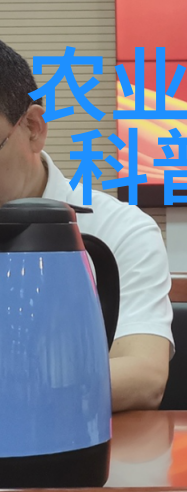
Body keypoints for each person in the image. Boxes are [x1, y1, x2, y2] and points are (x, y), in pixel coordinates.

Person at [0, 39, 173, 411]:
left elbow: (144, 375)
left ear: (33, 127)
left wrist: (20, 391)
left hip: (74, 438)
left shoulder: (119, 229)